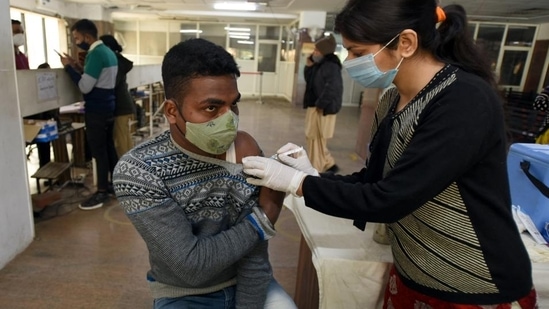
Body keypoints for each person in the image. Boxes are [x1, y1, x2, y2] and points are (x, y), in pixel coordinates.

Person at [242, 1, 537, 308]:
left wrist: (299, 183)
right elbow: (374, 180)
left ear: (405, 43)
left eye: (358, 52)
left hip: (473, 282)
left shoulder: (463, 100)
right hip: (415, 270)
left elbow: (390, 199)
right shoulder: (393, 99)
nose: (349, 62)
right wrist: (313, 176)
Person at [112, 38, 296, 309]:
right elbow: (191, 267)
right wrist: (264, 217)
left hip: (247, 282)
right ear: (172, 111)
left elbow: (254, 256)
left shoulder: (243, 149)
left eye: (233, 105)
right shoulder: (140, 171)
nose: (228, 120)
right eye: (211, 107)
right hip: (183, 293)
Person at [60, 19, 119, 210]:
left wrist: (68, 68)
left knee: (98, 151)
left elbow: (85, 86)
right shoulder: (108, 52)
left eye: (77, 38)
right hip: (109, 106)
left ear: (87, 36)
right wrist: (78, 68)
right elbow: (97, 78)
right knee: (108, 148)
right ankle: (114, 186)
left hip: (97, 109)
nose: (76, 42)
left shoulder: (95, 53)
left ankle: (101, 192)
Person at [303, 34, 343, 173]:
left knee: (316, 140)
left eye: (317, 51)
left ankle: (316, 170)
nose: (314, 53)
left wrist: (321, 104)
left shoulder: (331, 66)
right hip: (315, 106)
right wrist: (309, 66)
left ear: (324, 52)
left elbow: (332, 88)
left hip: (322, 108)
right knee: (313, 139)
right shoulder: (320, 64)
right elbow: (310, 82)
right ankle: (329, 164)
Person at [99, 34, 136, 157]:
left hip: (120, 107)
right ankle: (130, 168)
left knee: (121, 142)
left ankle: (125, 171)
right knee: (125, 139)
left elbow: (111, 83)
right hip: (123, 105)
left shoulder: (115, 61)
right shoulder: (117, 59)